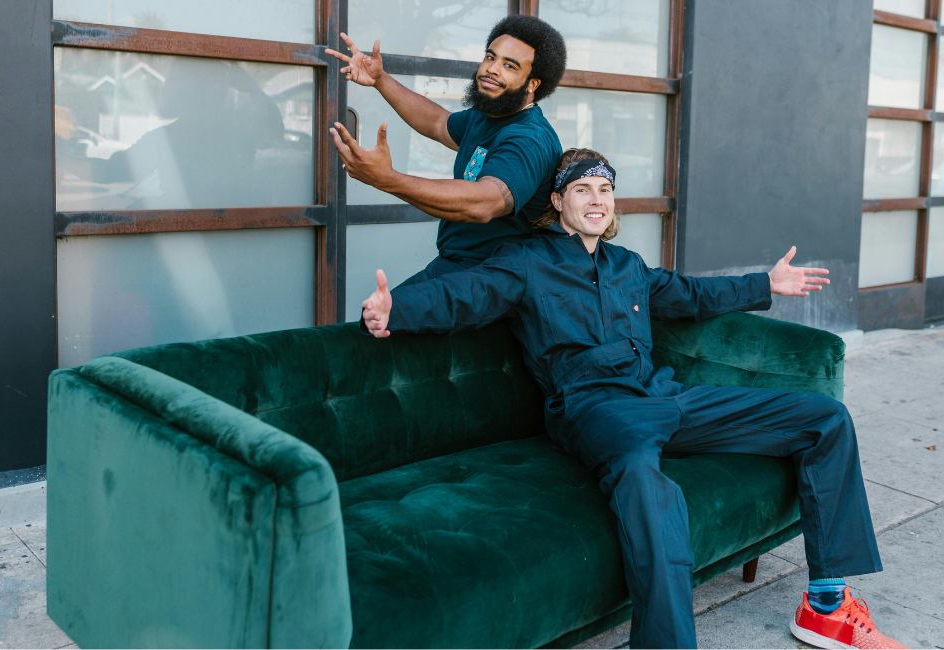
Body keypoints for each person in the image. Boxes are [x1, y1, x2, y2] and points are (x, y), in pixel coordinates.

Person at [358, 148, 906, 650]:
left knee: (825, 418)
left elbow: (693, 294)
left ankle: (826, 605)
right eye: (582, 190)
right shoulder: (527, 261)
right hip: (596, 408)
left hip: (664, 395)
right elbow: (466, 294)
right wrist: (396, 309)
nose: (596, 200)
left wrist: (766, 283)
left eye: (604, 190)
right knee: (650, 490)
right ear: (557, 201)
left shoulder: (628, 268)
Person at [324, 16, 565, 285]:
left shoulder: (528, 138)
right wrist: (380, 79)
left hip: (495, 278)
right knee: (379, 318)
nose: (492, 69)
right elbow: (438, 123)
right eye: (490, 57)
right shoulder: (488, 117)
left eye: (509, 65)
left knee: (384, 320)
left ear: (532, 84)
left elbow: (485, 203)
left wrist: (387, 179)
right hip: (458, 266)